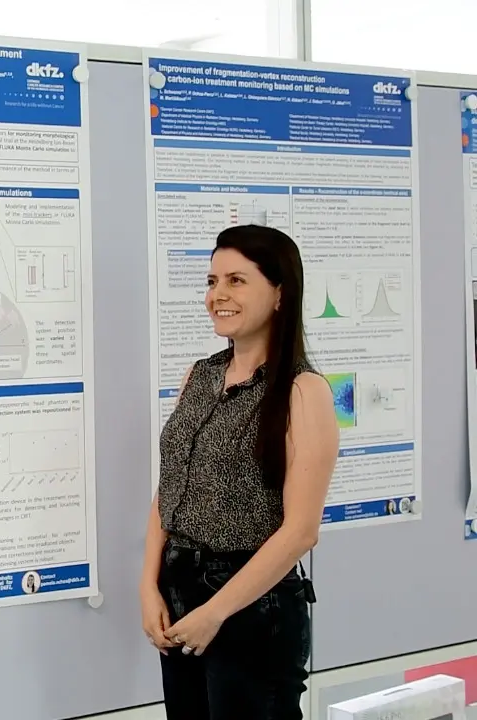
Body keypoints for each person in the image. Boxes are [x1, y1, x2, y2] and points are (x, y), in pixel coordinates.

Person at [140, 225, 339, 719]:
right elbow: (172, 488)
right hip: (179, 590)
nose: (218, 295)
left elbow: (301, 531)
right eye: (212, 281)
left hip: (251, 605)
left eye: (236, 280)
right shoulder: (200, 375)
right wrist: (148, 585)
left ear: (279, 294)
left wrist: (215, 611)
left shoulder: (302, 391)